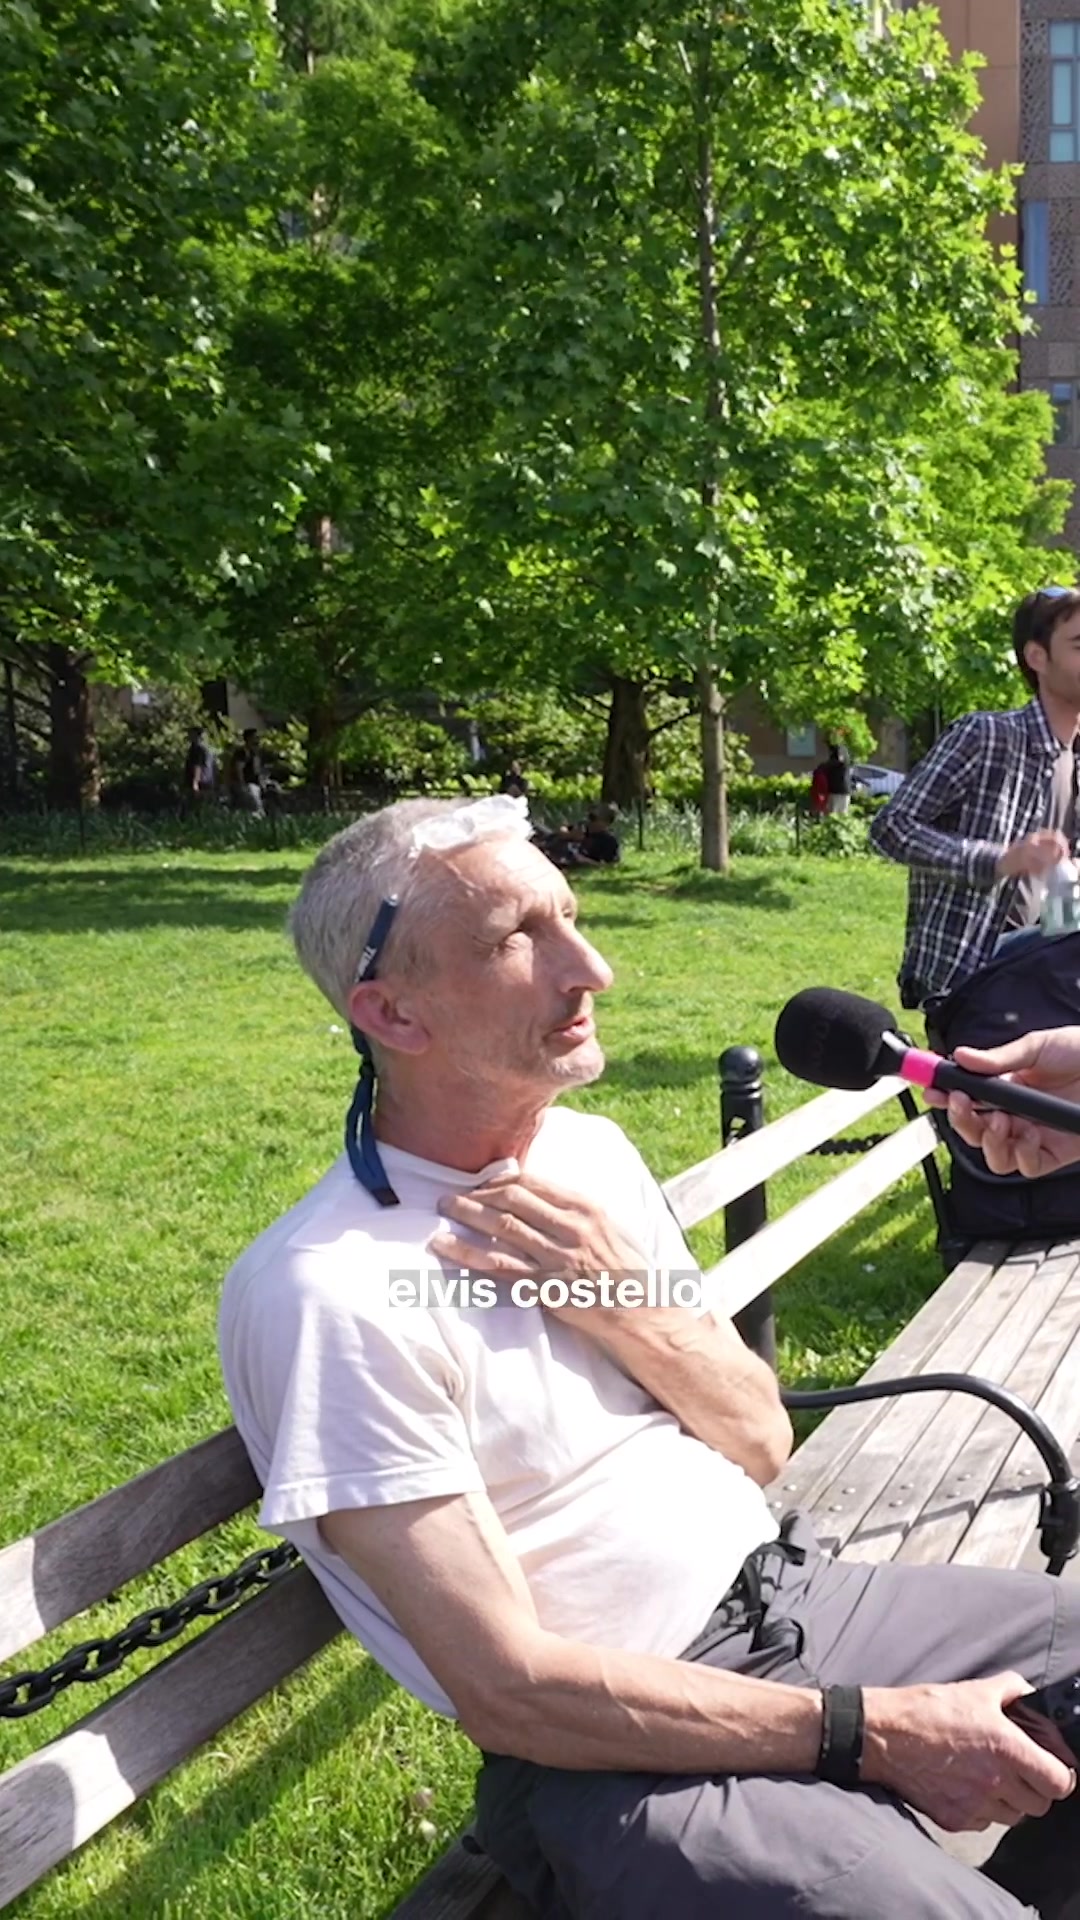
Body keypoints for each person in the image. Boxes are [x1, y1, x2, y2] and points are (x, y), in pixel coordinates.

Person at [217, 792, 1080, 1919]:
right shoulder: (329, 1290)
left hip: (796, 1600)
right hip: (618, 1755)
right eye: (515, 939)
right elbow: (512, 1694)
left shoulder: (588, 1157)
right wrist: (870, 1734)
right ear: (393, 1012)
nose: (593, 969)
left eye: (570, 916)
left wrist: (620, 1301)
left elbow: (759, 1440)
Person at [869, 586, 1080, 1016]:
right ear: (1037, 657)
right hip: (972, 982)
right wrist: (999, 860)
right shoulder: (986, 736)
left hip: (1049, 980)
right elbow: (891, 828)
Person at [182, 725, 216, 808]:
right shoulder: (208, 749)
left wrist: (195, 784)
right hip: (208, 782)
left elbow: (197, 766)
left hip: (199, 784)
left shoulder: (196, 749)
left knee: (194, 807)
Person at [814, 744, 852, 817]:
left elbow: (839, 761)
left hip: (839, 791)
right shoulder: (840, 753)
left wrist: (823, 766)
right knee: (834, 814)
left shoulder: (841, 751)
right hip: (835, 790)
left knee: (837, 814)